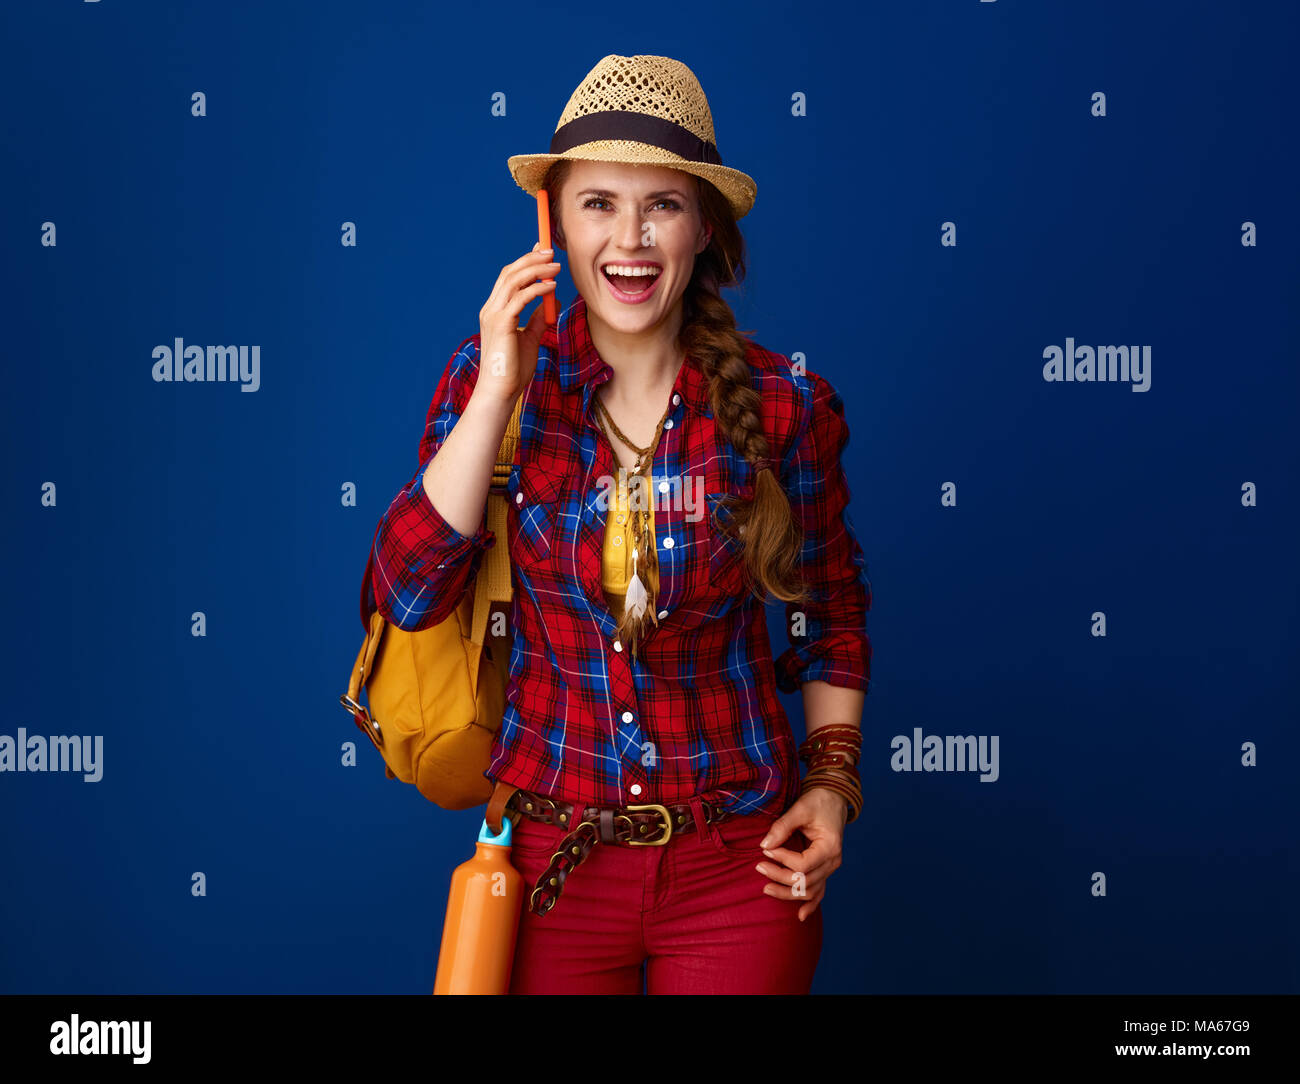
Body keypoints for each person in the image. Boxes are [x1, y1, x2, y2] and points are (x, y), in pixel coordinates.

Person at [363, 54, 871, 994]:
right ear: (552, 219)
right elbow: (408, 591)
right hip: (551, 867)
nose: (629, 239)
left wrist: (832, 788)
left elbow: (829, 614)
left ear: (704, 226)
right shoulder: (498, 381)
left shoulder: (784, 402)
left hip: (738, 867)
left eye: (662, 206)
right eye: (598, 203)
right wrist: (497, 388)